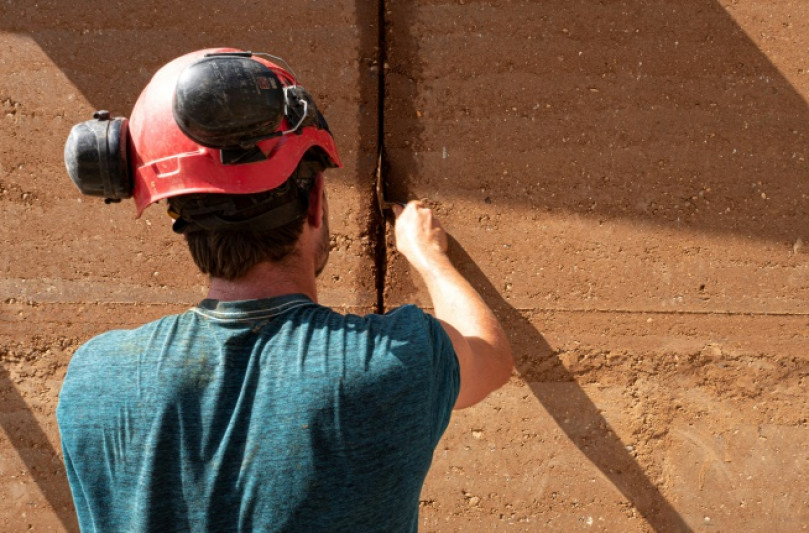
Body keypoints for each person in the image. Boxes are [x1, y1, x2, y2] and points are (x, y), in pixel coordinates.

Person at [57, 49, 513, 532]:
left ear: (177, 214)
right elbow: (491, 357)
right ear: (314, 201)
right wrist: (428, 257)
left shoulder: (93, 380)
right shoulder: (392, 363)